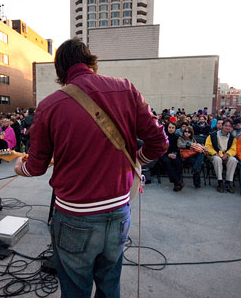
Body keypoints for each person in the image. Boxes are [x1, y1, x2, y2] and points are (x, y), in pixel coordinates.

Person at [14, 38, 168, 298]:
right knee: (110, 284)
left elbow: (37, 166)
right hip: (119, 210)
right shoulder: (126, 89)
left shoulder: (49, 105)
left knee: (75, 289)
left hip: (75, 215)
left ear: (60, 69)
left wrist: (21, 167)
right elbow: (159, 142)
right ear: (90, 61)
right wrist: (138, 159)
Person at [205, 119, 238, 193]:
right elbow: (208, 147)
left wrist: (227, 154)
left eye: (229, 126)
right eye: (226, 125)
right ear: (222, 126)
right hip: (215, 154)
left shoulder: (232, 138)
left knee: (233, 160)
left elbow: (234, 149)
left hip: (226, 155)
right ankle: (220, 182)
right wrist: (215, 153)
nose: (227, 127)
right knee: (217, 159)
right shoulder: (212, 135)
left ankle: (228, 182)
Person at [161, 122, 183, 191]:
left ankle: (177, 184)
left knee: (178, 163)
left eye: (173, 128)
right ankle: (177, 182)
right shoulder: (163, 136)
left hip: (174, 154)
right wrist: (168, 154)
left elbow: (177, 148)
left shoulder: (177, 137)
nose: (171, 129)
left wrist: (174, 154)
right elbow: (161, 148)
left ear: (175, 129)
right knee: (168, 162)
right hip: (164, 154)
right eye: (169, 127)